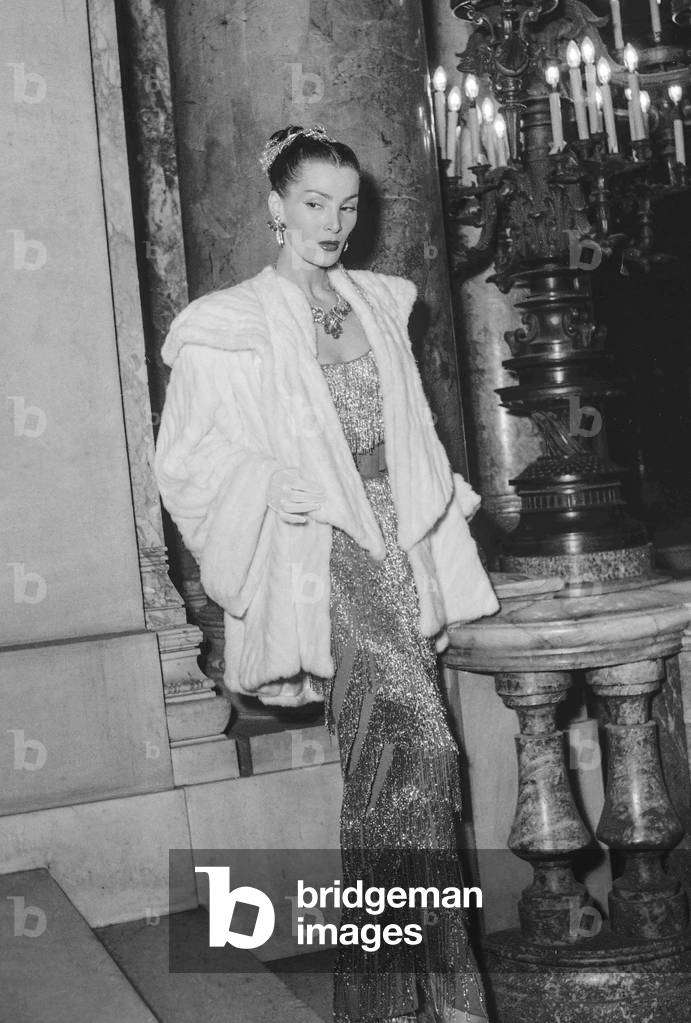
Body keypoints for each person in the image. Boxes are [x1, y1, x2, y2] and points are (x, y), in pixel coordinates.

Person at [154, 124, 499, 1022]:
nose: (332, 221)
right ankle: (421, 996)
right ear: (275, 206)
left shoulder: (381, 303)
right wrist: (271, 483)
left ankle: (397, 997)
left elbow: (412, 433)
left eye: (346, 206)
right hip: (324, 553)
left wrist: (431, 499)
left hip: (398, 546)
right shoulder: (226, 324)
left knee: (393, 770)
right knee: (418, 749)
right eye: (313, 202)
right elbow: (186, 462)